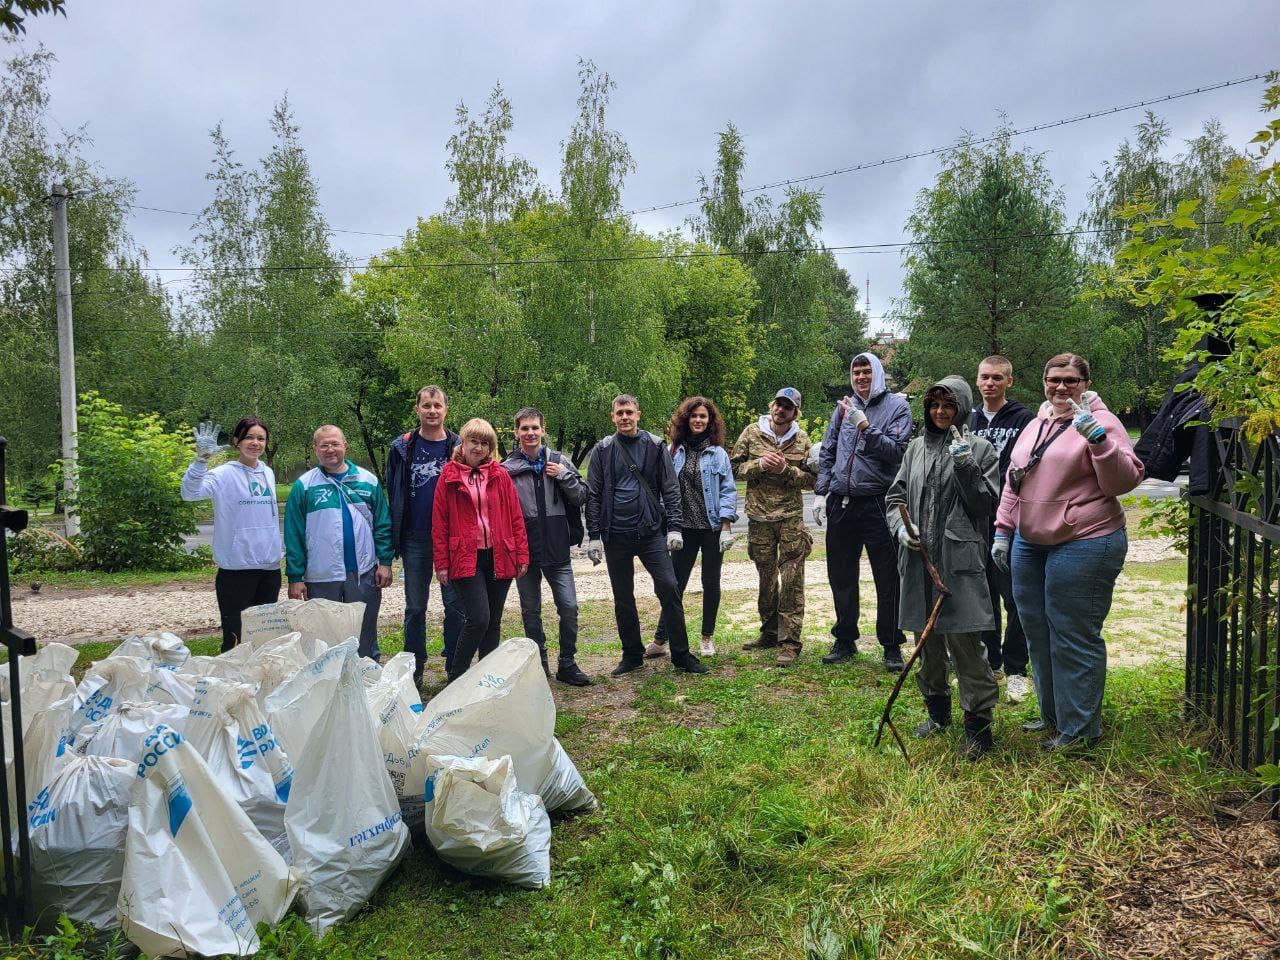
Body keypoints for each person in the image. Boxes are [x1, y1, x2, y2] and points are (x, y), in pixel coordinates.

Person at [993, 353, 1144, 751]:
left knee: (1071, 633)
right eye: (1054, 379)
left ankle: (1079, 729)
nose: (1061, 387)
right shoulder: (1037, 422)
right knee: (1036, 630)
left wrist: (1098, 440)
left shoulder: (1103, 421)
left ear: (1085, 384)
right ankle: (1053, 715)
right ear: (1044, 382)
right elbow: (1014, 479)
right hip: (1030, 541)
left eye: (1071, 380)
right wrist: (1003, 530)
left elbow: (1123, 481)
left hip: (1084, 539)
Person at [886, 377, 1001, 759]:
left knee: (966, 646)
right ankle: (938, 714)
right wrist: (902, 528)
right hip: (919, 566)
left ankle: (978, 727)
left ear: (962, 408)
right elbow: (896, 497)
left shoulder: (981, 449)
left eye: (948, 405)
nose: (940, 412)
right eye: (934, 405)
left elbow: (984, 505)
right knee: (927, 645)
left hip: (959, 564)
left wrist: (966, 465)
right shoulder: (915, 448)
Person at [585, 394, 708, 677]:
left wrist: (674, 527)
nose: (624, 417)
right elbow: (593, 494)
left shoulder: (654, 446)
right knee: (623, 597)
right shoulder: (603, 450)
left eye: (629, 412)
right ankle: (631, 655)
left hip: (651, 532)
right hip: (615, 535)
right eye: (619, 413)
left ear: (638, 415)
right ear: (613, 417)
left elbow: (670, 488)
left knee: (669, 587)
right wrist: (594, 535)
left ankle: (681, 655)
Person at [813, 352, 912, 671]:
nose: (861, 377)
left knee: (888, 576)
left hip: (879, 503)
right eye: (856, 372)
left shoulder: (897, 407)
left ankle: (891, 644)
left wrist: (866, 426)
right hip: (842, 502)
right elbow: (828, 450)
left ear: (877, 373)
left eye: (867, 371)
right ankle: (845, 639)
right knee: (841, 575)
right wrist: (821, 492)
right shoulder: (843, 407)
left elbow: (896, 452)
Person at [284, 425, 393, 660]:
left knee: (364, 634)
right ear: (315, 449)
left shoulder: (367, 480)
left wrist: (385, 562)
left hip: (363, 573)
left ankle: (366, 676)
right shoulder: (304, 486)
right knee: (324, 639)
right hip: (321, 575)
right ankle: (328, 680)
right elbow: (293, 534)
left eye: (335, 443)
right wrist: (295, 576)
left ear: (345, 445)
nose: (330, 449)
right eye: (324, 445)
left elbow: (383, 524)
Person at [433, 418, 529, 682]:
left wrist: (522, 554)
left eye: (484, 443)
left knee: (493, 621)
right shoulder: (448, 476)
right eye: (473, 441)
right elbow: (439, 523)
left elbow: (515, 517)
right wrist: (441, 563)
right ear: (463, 443)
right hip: (466, 556)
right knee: (478, 619)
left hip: (499, 554)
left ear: (491, 448)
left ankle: (487, 680)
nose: (478, 447)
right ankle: (456, 678)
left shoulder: (500, 475)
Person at [501, 407, 592, 687]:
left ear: (543, 430)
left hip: (557, 549)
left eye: (535, 428)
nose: (530, 433)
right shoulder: (506, 469)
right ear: (516, 432)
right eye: (524, 428)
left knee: (569, 607)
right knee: (531, 611)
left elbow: (582, 496)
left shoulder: (560, 462)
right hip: (525, 553)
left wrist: (564, 476)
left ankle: (567, 663)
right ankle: (539, 666)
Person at [646, 397, 738, 660]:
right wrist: (666, 523)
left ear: (710, 421)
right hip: (682, 529)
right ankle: (660, 639)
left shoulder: (718, 454)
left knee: (711, 582)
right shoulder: (673, 451)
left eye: (703, 416)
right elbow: (663, 489)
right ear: (685, 420)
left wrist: (726, 526)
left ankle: (707, 637)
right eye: (694, 416)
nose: (698, 420)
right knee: (674, 585)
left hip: (711, 529)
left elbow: (728, 491)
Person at [386, 385, 465, 686]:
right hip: (415, 537)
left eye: (437, 405)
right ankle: (415, 666)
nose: (432, 411)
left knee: (455, 607)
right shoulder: (401, 448)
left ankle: (455, 665)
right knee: (415, 607)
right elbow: (393, 492)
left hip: (451, 538)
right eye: (427, 405)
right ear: (417, 409)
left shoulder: (459, 447)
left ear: (446, 409)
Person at [730, 387, 815, 666]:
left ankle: (789, 642)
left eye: (787, 407)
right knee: (766, 579)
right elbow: (733, 469)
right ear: (772, 406)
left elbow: (813, 480)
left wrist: (785, 470)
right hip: (759, 519)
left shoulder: (802, 440)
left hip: (790, 519)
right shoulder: (752, 433)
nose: (780, 410)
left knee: (792, 581)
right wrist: (759, 465)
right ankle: (768, 632)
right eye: (778, 404)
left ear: (795, 413)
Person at [181, 417, 281, 652]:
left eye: (261, 438)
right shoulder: (223, 474)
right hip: (236, 570)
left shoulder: (268, 472)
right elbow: (190, 493)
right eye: (249, 437)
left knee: (264, 637)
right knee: (236, 638)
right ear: (237, 441)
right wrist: (200, 461)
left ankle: (261, 675)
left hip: (269, 569)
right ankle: (232, 675)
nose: (255, 443)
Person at [968, 356, 1034, 702]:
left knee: (1014, 596)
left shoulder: (1024, 420)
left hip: (1011, 520)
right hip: (974, 520)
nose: (990, 383)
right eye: (984, 377)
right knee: (982, 596)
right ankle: (990, 661)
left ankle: (1017, 668)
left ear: (1009, 381)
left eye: (997, 377)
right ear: (977, 381)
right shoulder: (968, 420)